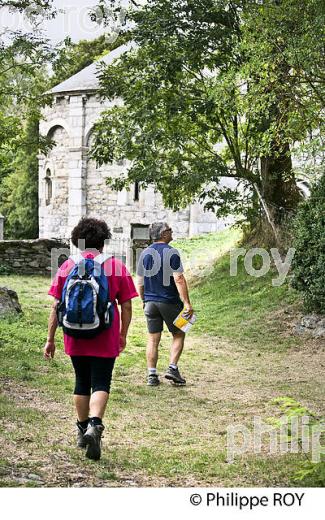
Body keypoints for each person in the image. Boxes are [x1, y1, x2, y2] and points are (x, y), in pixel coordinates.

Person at [44, 217, 138, 460]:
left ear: (77, 241)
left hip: (74, 335)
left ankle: (81, 428)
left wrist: (51, 338)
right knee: (101, 381)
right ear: (104, 241)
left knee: (81, 380)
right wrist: (123, 334)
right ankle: (95, 426)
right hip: (105, 335)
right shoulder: (115, 266)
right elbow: (126, 306)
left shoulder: (67, 266)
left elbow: (56, 306)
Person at [137, 222, 194, 386]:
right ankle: (172, 368)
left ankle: (152, 375)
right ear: (163, 234)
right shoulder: (171, 252)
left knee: (153, 339)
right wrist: (187, 304)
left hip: (150, 303)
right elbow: (179, 278)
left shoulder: (144, 254)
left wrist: (144, 300)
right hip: (169, 302)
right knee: (179, 332)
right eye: (170, 229)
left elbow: (140, 283)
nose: (172, 231)